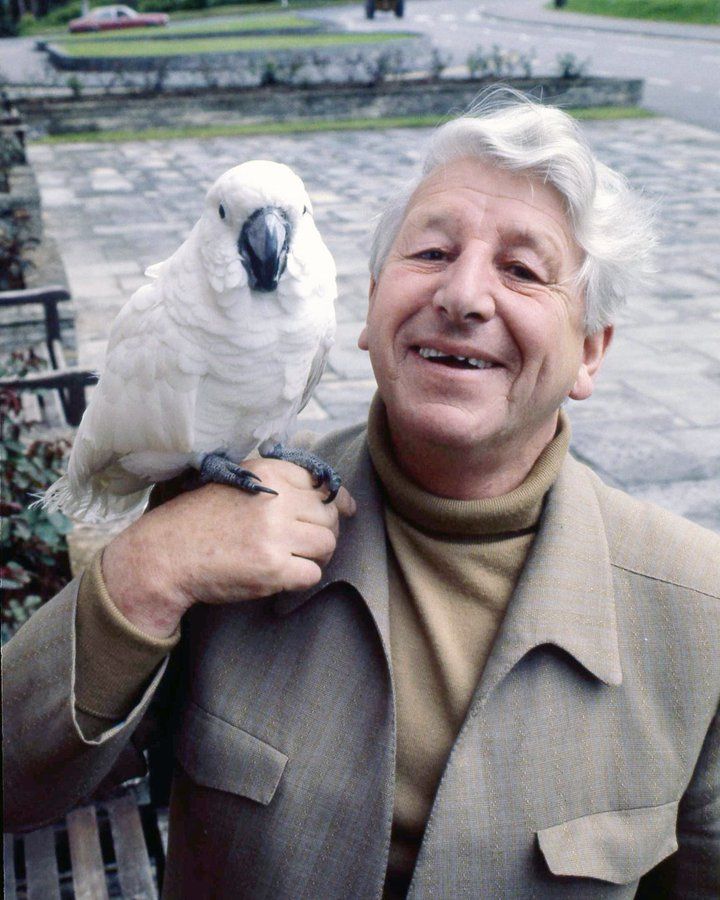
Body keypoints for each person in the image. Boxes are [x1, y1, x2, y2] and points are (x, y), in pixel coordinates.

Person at [4, 93, 719, 899]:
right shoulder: (212, 522)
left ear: (590, 351)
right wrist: (149, 569)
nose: (463, 298)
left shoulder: (699, 609)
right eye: (431, 254)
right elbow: (12, 785)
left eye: (521, 270)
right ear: (371, 306)